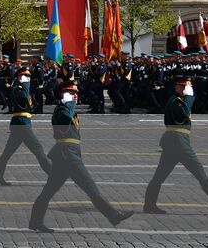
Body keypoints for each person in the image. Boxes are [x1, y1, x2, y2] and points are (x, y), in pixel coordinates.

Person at [28, 81, 134, 232]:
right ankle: (113, 215)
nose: (75, 95)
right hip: (68, 155)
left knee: (48, 192)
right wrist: (69, 103)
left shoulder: (67, 109)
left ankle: (35, 222)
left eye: (76, 93)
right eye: (71, 93)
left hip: (66, 155)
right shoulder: (61, 109)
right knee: (90, 187)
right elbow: (64, 121)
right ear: (64, 95)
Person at [143, 75, 208, 214]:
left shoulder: (179, 100)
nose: (189, 90)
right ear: (178, 87)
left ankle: (149, 206)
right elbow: (183, 113)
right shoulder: (176, 101)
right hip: (178, 141)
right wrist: (189, 98)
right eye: (186, 87)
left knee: (160, 175)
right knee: (198, 170)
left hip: (176, 141)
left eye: (189, 87)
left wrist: (188, 98)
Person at [0, 67, 52, 186]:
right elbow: (24, 98)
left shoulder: (22, 88)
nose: (28, 78)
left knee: (7, 153)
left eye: (29, 76)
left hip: (21, 123)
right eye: (25, 76)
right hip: (21, 124)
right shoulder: (18, 88)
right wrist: (25, 84)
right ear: (19, 77)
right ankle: (54, 176)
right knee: (38, 150)